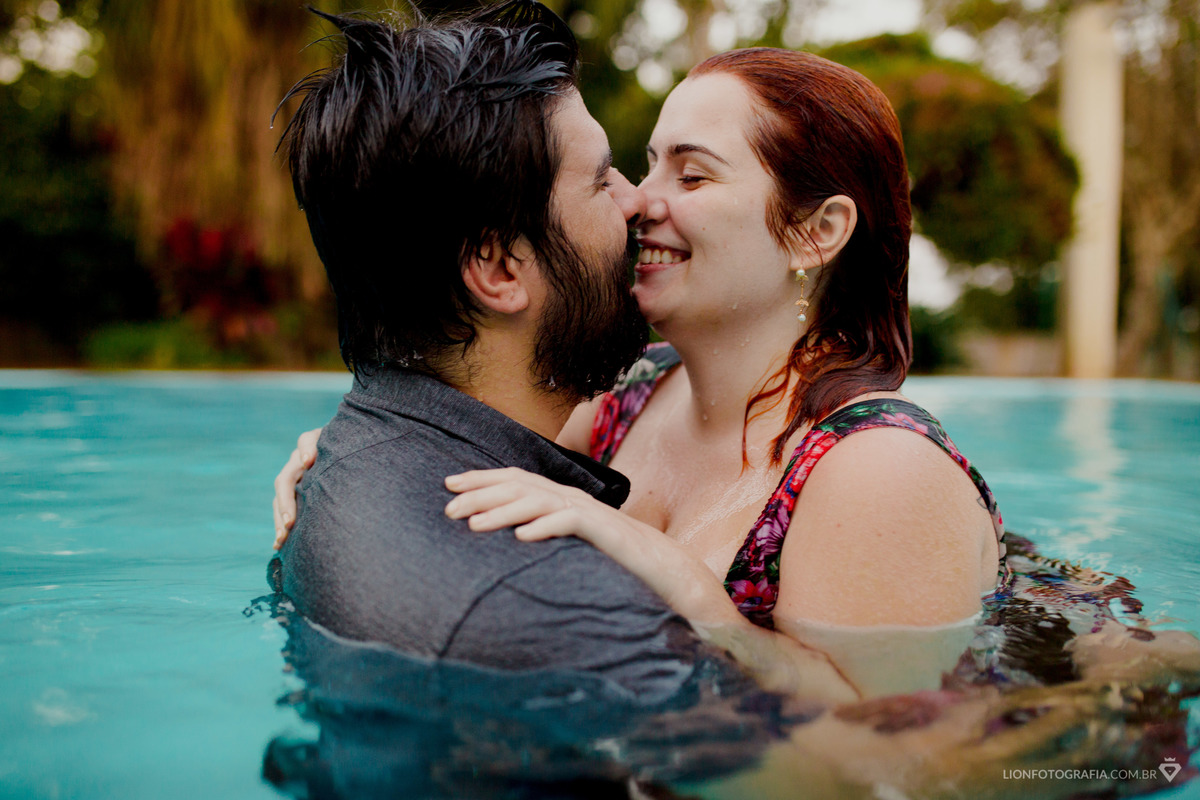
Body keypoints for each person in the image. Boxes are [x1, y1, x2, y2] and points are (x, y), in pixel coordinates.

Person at [276, 45, 1004, 694]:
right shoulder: (630, 396)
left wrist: (685, 584)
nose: (640, 200)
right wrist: (357, 453)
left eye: (691, 176)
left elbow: (900, 757)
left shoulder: (878, 472)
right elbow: (481, 411)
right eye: (649, 162)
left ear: (817, 233)